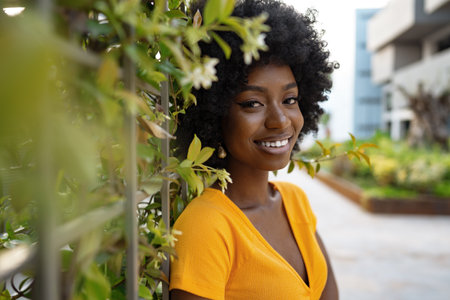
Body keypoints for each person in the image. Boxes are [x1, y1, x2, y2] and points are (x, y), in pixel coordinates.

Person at [170, 0, 339, 299]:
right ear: (214, 111)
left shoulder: (294, 201)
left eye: (290, 99)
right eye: (252, 104)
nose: (279, 120)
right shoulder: (207, 226)